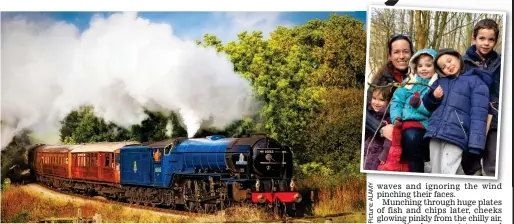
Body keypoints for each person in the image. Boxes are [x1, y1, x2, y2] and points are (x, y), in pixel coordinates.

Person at [422, 48, 492, 175]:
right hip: (436, 133)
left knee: (448, 170)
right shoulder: (440, 82)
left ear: (458, 57)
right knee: (435, 170)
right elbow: (427, 106)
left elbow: (479, 114)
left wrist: (476, 144)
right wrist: (433, 97)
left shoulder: (475, 81)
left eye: (449, 61)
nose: (448, 66)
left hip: (457, 135)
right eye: (443, 66)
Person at [385, 48, 438, 173]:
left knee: (412, 138)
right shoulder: (409, 83)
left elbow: (433, 108)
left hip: (423, 124)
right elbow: (397, 101)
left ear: (435, 67)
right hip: (403, 122)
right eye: (420, 66)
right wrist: (395, 117)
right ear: (415, 67)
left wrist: (419, 105)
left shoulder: (435, 85)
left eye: (428, 65)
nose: (423, 69)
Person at [461, 19, 502, 177]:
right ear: (474, 38)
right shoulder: (463, 63)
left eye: (491, 39)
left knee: (493, 161)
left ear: (496, 41)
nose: (486, 43)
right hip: (470, 117)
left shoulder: (500, 63)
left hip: (495, 117)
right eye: (482, 38)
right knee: (470, 161)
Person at [366, 34, 414, 142]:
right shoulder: (381, 80)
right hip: (386, 137)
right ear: (390, 56)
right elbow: (366, 111)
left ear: (412, 54)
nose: (401, 56)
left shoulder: (420, 78)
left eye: (406, 51)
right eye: (396, 52)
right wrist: (381, 129)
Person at [363, 86, 393, 170]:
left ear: (389, 102)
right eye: (374, 98)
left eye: (381, 100)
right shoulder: (371, 112)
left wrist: (385, 153)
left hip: (379, 151)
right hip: (368, 146)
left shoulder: (388, 117)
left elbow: (390, 136)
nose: (376, 102)